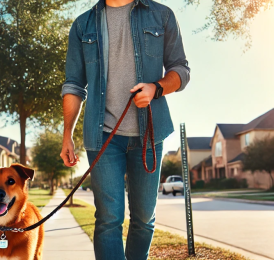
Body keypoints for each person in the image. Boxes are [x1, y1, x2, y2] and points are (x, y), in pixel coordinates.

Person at [60, 0, 190, 259]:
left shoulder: (161, 16)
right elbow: (74, 84)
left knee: (143, 218)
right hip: (103, 137)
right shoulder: (82, 25)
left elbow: (181, 70)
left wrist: (157, 88)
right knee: (108, 218)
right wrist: (67, 136)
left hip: (150, 134)